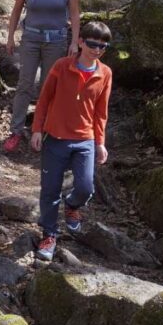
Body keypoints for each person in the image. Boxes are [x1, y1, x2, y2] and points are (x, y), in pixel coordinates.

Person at [30, 21, 113, 261]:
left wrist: (100, 142)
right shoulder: (61, 66)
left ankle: (73, 206)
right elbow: (44, 100)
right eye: (92, 44)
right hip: (55, 138)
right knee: (50, 190)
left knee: (86, 186)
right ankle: (49, 235)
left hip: (85, 139)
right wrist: (37, 129)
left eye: (103, 46)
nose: (97, 50)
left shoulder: (105, 73)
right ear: (80, 42)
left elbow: (101, 111)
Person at [4, 0, 80, 153]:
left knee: (50, 87)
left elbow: (74, 15)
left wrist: (74, 42)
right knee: (25, 84)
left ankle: (44, 130)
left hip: (56, 41)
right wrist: (10, 37)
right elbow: (16, 11)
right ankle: (16, 130)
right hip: (30, 39)